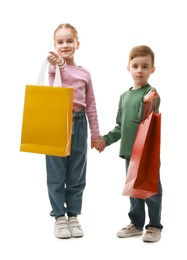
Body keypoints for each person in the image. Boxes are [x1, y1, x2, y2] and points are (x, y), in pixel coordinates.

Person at [98, 45, 163, 242]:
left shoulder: (152, 94)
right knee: (134, 188)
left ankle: (154, 226)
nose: (139, 70)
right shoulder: (124, 97)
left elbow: (147, 117)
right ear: (128, 68)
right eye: (135, 66)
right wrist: (106, 140)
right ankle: (136, 224)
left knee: (151, 188)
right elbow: (121, 126)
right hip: (129, 151)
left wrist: (147, 102)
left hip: (147, 151)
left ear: (152, 69)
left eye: (145, 66)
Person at [46, 23, 105, 239]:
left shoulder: (85, 73)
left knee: (77, 173)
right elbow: (58, 79)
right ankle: (59, 217)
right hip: (57, 123)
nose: (65, 45)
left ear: (77, 44)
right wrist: (59, 63)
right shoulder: (55, 67)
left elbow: (91, 104)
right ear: (54, 45)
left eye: (69, 41)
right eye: (60, 42)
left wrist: (96, 134)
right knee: (56, 173)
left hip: (80, 125)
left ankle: (73, 215)